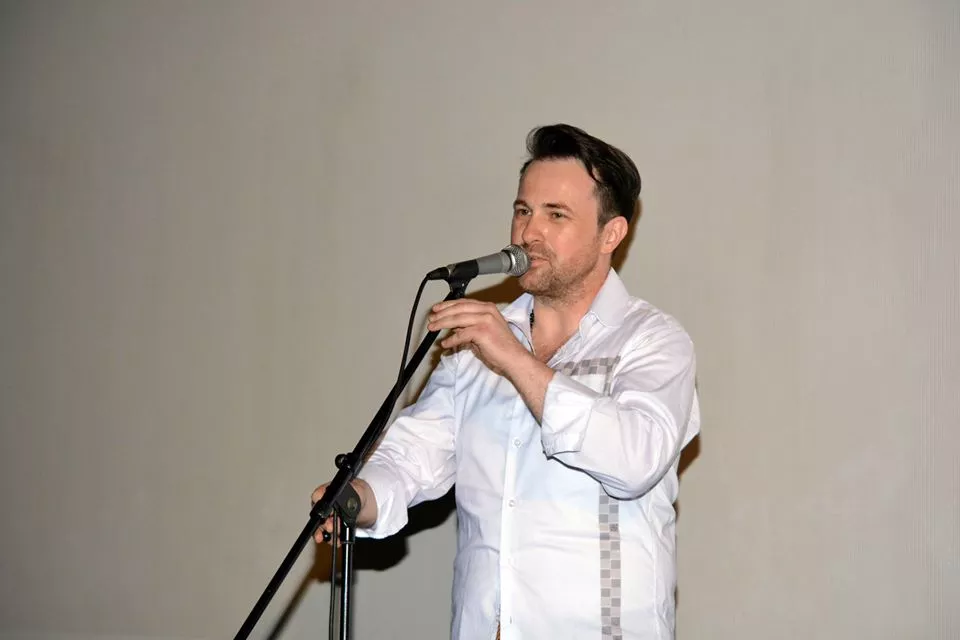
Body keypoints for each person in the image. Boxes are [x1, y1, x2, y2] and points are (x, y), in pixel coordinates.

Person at [312, 124, 701, 640]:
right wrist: (358, 497)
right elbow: (412, 458)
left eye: (555, 215)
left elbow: (634, 461)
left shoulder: (653, 341)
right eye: (523, 211)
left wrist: (516, 360)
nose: (528, 232)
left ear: (611, 234)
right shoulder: (476, 348)